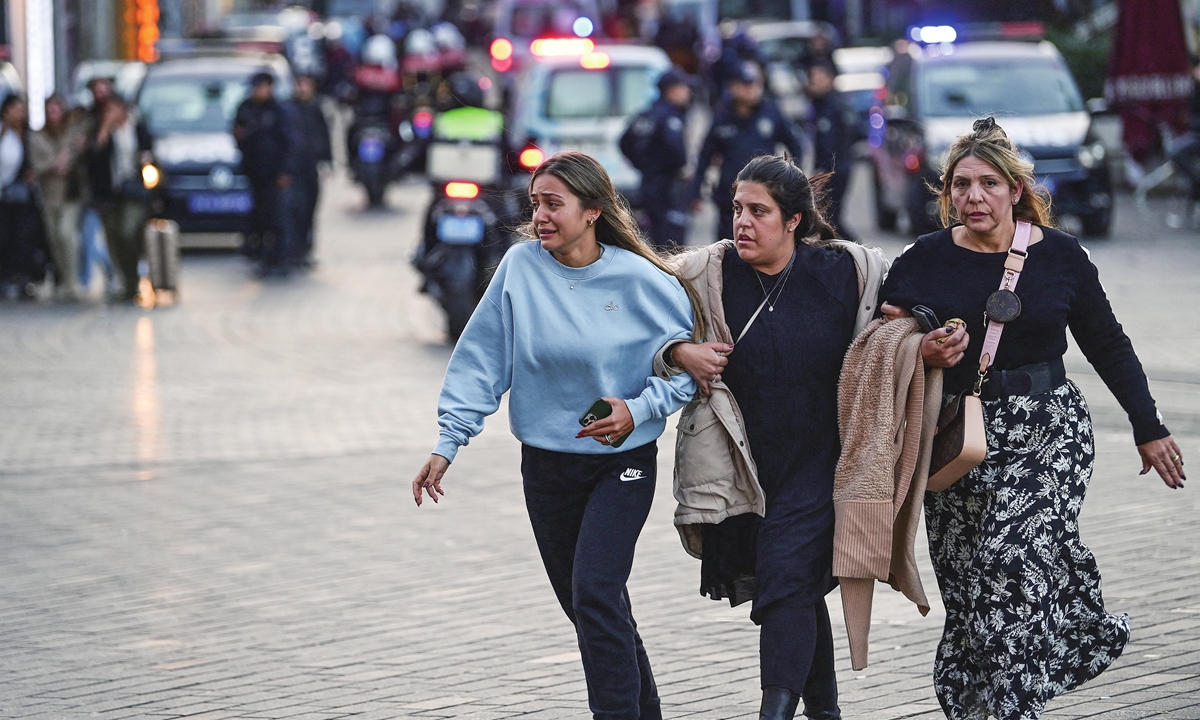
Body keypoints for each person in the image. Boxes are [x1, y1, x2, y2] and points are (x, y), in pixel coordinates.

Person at [879, 117, 1185, 720]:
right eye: (960, 185)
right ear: (946, 193)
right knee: (970, 590)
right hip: (956, 440)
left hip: (1048, 430)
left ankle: (1012, 707)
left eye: (988, 184)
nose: (973, 197)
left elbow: (1109, 344)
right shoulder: (924, 259)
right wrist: (920, 349)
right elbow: (878, 341)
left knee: (1005, 566)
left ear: (1015, 190)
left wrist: (1148, 427)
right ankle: (977, 703)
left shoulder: (1061, 257)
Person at [411, 151, 704, 720]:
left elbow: (689, 375)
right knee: (593, 607)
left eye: (554, 204)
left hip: (621, 463)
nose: (540, 216)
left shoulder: (642, 281)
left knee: (595, 594)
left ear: (593, 210)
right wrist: (448, 443)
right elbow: (481, 361)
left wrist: (637, 410)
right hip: (546, 468)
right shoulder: (520, 269)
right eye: (535, 204)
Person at [661, 154, 886, 720]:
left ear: (793, 221)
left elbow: (908, 317)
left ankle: (774, 713)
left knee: (785, 581)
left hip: (823, 463)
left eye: (759, 211)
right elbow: (641, 327)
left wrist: (934, 338)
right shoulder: (703, 275)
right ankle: (826, 713)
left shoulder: (845, 273)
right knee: (797, 593)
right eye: (737, 208)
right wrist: (676, 351)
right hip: (748, 469)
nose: (742, 222)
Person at [690, 62, 804, 243]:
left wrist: (791, 179)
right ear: (732, 87)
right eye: (745, 85)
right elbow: (705, 157)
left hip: (765, 194)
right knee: (728, 248)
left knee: (764, 244)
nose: (751, 90)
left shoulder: (771, 113)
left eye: (755, 84)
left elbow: (796, 146)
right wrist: (695, 192)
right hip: (730, 197)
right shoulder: (722, 118)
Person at [85, 97, 151, 302]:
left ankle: (133, 278)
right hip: (109, 194)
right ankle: (126, 282)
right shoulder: (102, 131)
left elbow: (149, 151)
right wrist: (104, 129)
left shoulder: (136, 128)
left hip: (133, 191)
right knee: (113, 239)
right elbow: (94, 159)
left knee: (127, 231)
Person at [620, 67, 693, 249]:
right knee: (671, 241)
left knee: (654, 234)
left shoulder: (647, 114)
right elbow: (675, 147)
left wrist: (642, 165)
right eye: (685, 88)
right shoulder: (669, 117)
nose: (688, 93)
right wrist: (682, 168)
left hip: (649, 182)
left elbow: (624, 142)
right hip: (668, 185)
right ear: (672, 90)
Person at [233, 72, 295, 277]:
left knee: (278, 218)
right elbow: (238, 134)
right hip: (254, 174)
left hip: (275, 174)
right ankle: (263, 258)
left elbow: (289, 143)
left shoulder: (278, 111)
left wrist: (285, 171)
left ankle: (281, 259)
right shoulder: (246, 109)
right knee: (260, 218)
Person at [30, 94, 87, 300]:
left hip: (70, 194)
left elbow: (79, 157)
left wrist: (68, 160)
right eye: (50, 110)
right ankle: (64, 280)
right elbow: (37, 165)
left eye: (57, 109)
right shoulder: (38, 136)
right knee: (55, 240)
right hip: (49, 195)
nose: (53, 114)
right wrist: (54, 164)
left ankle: (74, 281)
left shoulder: (72, 132)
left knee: (66, 233)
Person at [0, 95, 50, 300]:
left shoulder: (30, 134)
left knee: (25, 238)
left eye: (23, 109)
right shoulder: (3, 133)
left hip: (25, 197)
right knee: (4, 237)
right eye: (16, 109)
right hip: (4, 195)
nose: (20, 113)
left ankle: (23, 279)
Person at [804, 65, 856, 241]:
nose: (812, 84)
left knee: (830, 218)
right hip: (834, 168)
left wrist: (821, 173)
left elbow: (830, 145)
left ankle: (859, 251)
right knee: (827, 218)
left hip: (836, 170)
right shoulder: (820, 105)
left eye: (816, 80)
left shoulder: (832, 107)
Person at [288, 74, 332, 268]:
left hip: (310, 168)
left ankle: (306, 248)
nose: (303, 89)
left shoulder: (316, 108)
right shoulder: (288, 109)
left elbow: (325, 135)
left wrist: (328, 161)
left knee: (310, 209)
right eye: (300, 84)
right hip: (293, 169)